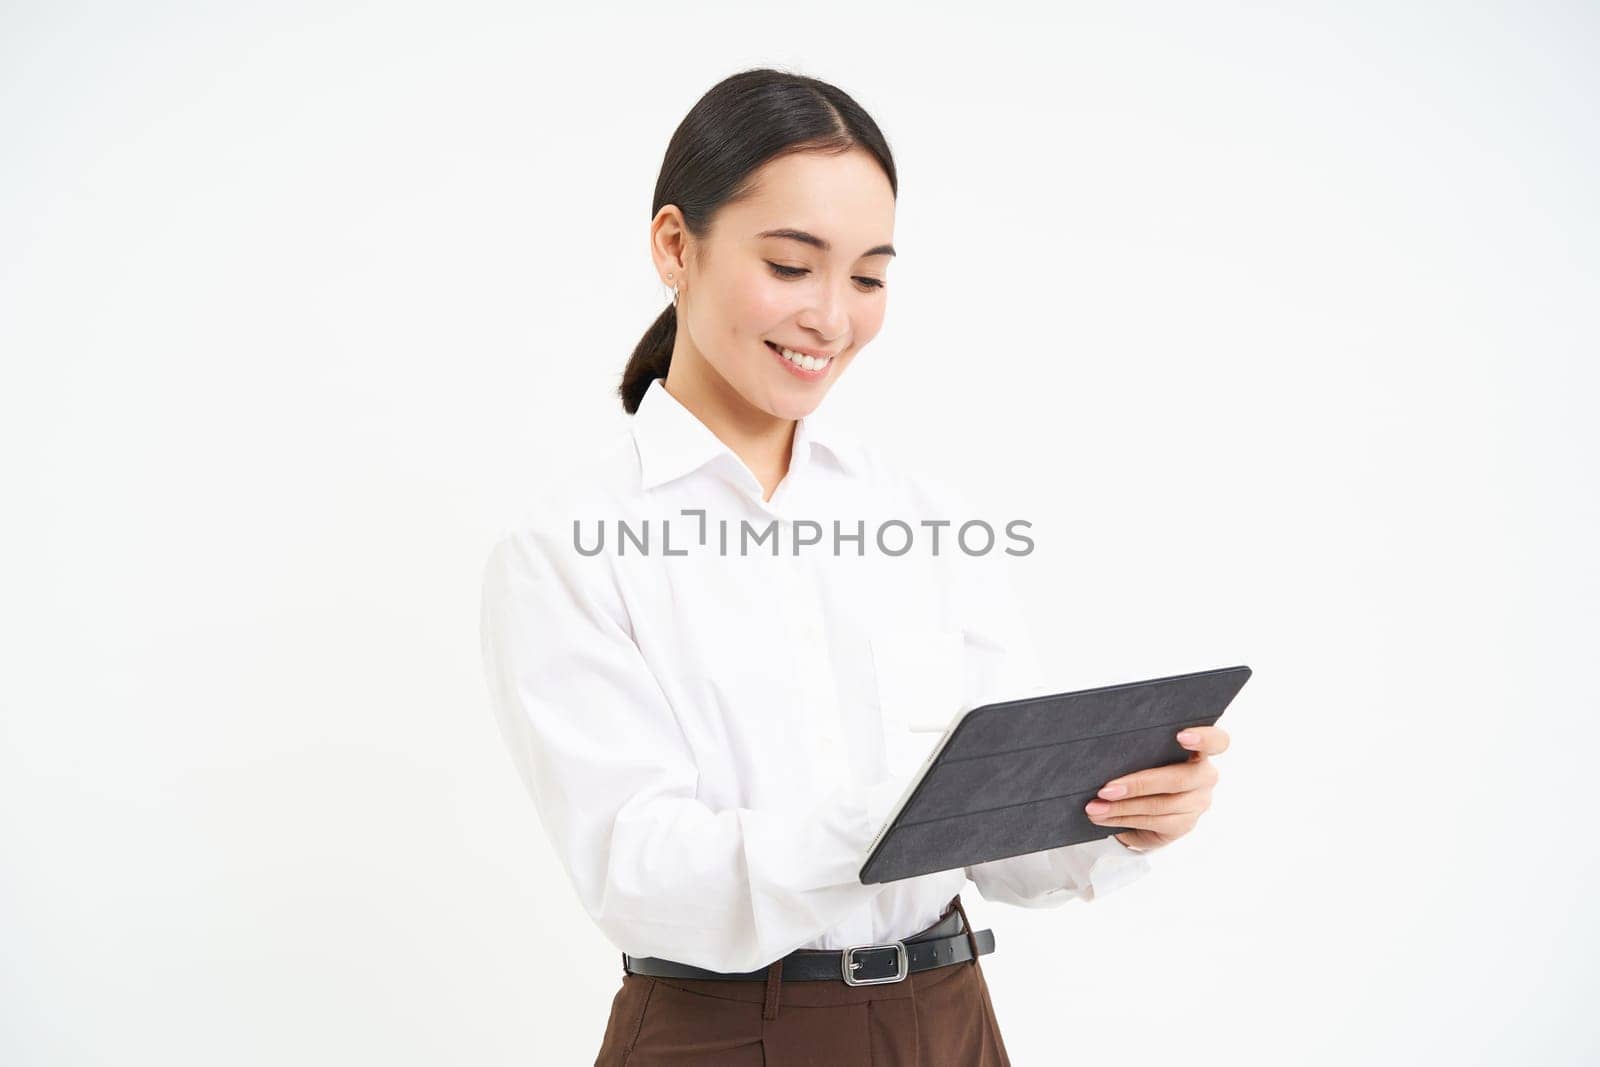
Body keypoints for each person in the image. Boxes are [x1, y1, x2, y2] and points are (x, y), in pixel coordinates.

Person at [478, 67, 1230, 1067]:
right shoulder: (570, 545)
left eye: (868, 277)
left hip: (951, 1017)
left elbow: (999, 843)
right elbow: (642, 873)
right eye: (791, 266)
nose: (831, 318)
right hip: (724, 1036)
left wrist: (1113, 815)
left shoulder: (920, 517)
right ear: (675, 245)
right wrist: (897, 814)